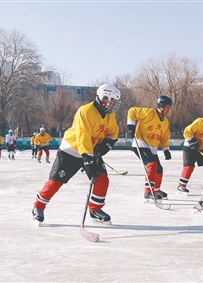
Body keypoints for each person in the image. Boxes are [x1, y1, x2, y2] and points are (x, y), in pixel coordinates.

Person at [32, 84, 122, 224]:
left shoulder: (110, 115)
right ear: (102, 98)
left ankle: (95, 209)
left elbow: (112, 132)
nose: (112, 105)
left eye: (115, 103)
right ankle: (38, 206)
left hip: (90, 151)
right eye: (110, 101)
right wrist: (87, 159)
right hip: (72, 149)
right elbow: (82, 136)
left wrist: (106, 144)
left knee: (102, 179)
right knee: (56, 181)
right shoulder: (85, 111)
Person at [127, 96, 172, 201]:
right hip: (140, 144)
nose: (168, 110)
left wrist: (166, 150)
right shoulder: (150, 113)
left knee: (159, 169)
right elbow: (132, 111)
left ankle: (156, 190)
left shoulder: (165, 122)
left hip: (152, 148)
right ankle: (148, 192)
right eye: (167, 107)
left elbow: (164, 137)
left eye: (170, 107)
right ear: (160, 106)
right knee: (152, 165)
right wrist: (131, 126)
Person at [176, 107, 203, 195]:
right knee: (189, 167)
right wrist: (192, 141)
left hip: (202, 148)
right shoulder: (200, 122)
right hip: (190, 147)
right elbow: (187, 131)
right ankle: (181, 186)